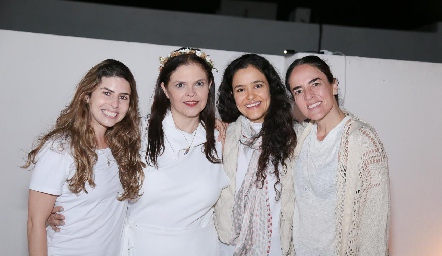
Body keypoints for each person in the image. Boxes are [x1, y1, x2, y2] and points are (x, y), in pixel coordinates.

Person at [24, 59, 145, 256]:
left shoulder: (122, 146)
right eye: (107, 93)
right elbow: (34, 223)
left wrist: (213, 122)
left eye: (123, 97)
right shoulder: (60, 148)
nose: (114, 104)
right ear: (87, 96)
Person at [121, 47, 229, 256]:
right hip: (143, 247)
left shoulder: (221, 140)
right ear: (165, 89)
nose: (191, 93)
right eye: (180, 85)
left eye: (199, 83)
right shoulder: (136, 135)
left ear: (209, 86)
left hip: (200, 248)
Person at [285, 55, 390, 255]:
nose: (308, 96)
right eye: (298, 90)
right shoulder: (298, 138)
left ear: (334, 85)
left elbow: (374, 225)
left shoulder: (363, 141)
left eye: (315, 84)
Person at [215, 53, 297, 256]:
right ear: (232, 96)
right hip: (229, 248)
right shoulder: (223, 136)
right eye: (240, 89)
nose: (250, 96)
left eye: (258, 86)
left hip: (281, 248)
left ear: (271, 88)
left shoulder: (296, 137)